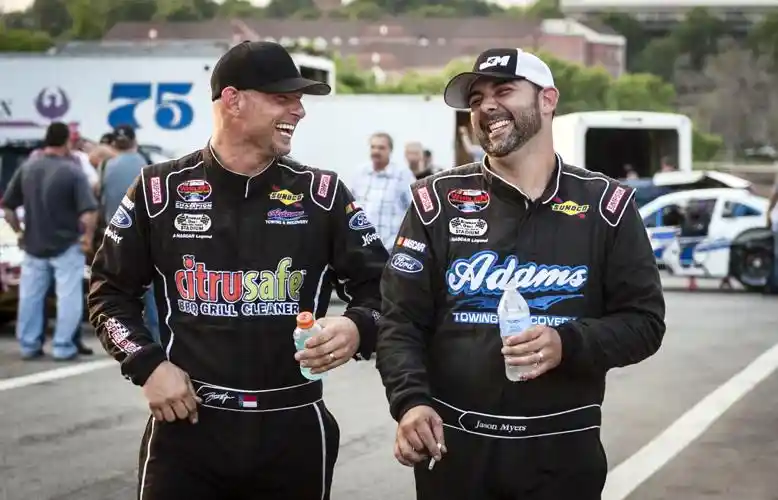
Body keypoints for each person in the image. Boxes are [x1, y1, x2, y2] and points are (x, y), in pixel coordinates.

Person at [87, 40, 388, 500]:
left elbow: (387, 291)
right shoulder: (158, 189)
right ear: (233, 99)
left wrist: (357, 326)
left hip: (294, 429)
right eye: (283, 98)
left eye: (300, 99)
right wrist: (148, 366)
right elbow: (109, 294)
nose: (300, 111)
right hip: (188, 427)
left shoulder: (323, 194)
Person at [375, 48, 666, 500]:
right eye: (476, 99)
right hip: (456, 451)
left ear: (548, 100)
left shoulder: (607, 206)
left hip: (562, 453)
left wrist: (566, 342)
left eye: (503, 90)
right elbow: (400, 321)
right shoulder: (435, 202)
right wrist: (410, 402)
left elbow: (645, 324)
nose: (486, 105)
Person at [2, 122, 98, 360]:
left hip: (34, 245)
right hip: (66, 245)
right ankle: (63, 347)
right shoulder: (72, 171)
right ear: (67, 142)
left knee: (30, 298)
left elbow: (9, 208)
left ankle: (28, 345)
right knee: (68, 298)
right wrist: (86, 238)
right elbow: (89, 211)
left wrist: (20, 232)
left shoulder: (27, 168)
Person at [95, 124, 159, 341]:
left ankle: (120, 338)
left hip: (112, 236)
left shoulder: (105, 166)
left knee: (114, 291)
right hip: (145, 236)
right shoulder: (146, 164)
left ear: (113, 144)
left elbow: (99, 200)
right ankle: (156, 342)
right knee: (151, 291)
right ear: (134, 141)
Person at [350, 132, 416, 251]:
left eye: (381, 148)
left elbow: (415, 210)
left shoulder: (403, 175)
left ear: (390, 150)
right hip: (363, 248)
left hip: (391, 249)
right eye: (373, 147)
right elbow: (351, 208)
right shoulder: (360, 173)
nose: (376, 151)